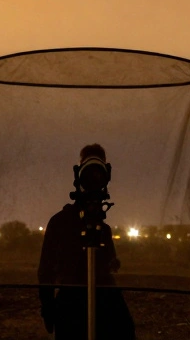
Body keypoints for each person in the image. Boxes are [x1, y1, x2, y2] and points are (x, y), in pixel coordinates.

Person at [38, 144, 136, 339]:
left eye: (98, 169)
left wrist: (49, 309)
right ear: (78, 172)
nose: (93, 175)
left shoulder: (102, 229)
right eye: (87, 167)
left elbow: (109, 264)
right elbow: (46, 271)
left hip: (104, 302)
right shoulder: (60, 222)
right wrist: (48, 308)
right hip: (72, 302)